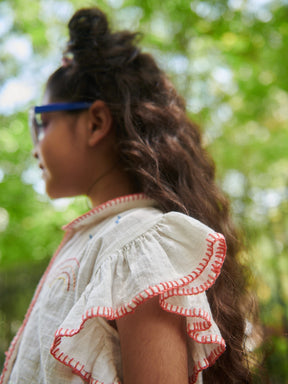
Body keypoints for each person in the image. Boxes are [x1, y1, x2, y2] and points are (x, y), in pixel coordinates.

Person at [1, 7, 254, 384]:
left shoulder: (140, 244)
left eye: (42, 122)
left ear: (96, 122)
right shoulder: (97, 239)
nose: (35, 146)